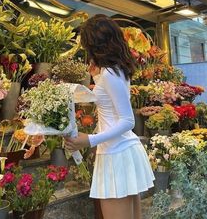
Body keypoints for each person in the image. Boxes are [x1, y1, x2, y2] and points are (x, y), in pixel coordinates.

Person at [65, 14, 155, 219]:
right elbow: (108, 109)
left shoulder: (109, 74)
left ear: (95, 44)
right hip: (120, 151)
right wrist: (95, 76)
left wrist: (89, 140)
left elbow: (127, 120)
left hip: (117, 153)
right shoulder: (112, 72)